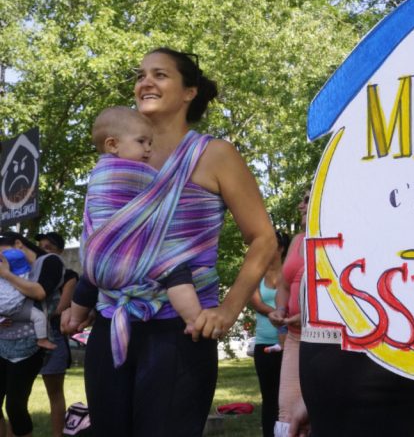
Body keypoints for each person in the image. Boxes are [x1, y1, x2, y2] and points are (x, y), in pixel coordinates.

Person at [61, 47, 276, 436]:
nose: (145, 82)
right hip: (113, 324)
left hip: (180, 330)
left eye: (159, 75)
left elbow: (262, 238)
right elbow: (102, 240)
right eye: (140, 75)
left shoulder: (215, 155)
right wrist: (88, 297)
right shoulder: (115, 157)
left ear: (189, 91)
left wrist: (228, 310)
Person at [81, 105, 202, 333]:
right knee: (175, 270)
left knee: (86, 277)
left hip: (97, 261)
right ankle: (194, 319)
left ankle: (75, 315)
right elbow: (164, 195)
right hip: (130, 254)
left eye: (150, 143)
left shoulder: (97, 173)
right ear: (113, 144)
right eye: (141, 142)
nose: (148, 149)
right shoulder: (134, 173)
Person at [0, 232, 67, 437]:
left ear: (18, 244)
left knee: (15, 405)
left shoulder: (49, 262)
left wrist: (6, 274)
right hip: (3, 343)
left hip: (31, 345)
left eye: (2, 255)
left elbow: (39, 293)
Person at [269, 191, 309, 437]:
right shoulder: (296, 241)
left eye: (306, 199)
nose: (300, 205)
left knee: (313, 413)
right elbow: (284, 286)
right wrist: (280, 309)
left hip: (327, 342)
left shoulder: (342, 237)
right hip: (294, 337)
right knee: (286, 415)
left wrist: (308, 315)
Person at [35, 232, 78, 437]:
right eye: (40, 246)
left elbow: (61, 308)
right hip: (23, 336)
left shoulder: (68, 275)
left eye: (48, 247)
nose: (43, 250)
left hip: (52, 335)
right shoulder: (31, 274)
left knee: (54, 392)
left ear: (60, 251)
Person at [251, 231, 290, 437]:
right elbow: (256, 302)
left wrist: (283, 315)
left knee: (288, 398)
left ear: (281, 249)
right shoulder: (257, 272)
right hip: (264, 343)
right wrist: (276, 313)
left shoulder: (290, 272)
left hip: (290, 344)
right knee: (269, 397)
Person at [0, 247, 55, 350]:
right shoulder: (25, 276)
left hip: (2, 311)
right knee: (39, 317)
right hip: (19, 309)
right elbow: (38, 292)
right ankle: (42, 340)